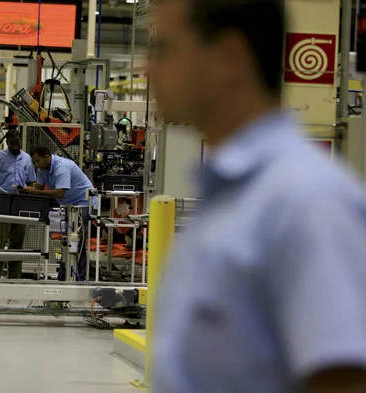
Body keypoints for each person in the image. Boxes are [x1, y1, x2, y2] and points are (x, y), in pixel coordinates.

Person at [149, 1, 366, 393]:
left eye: (164, 49)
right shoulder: (225, 199)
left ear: (229, 56)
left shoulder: (307, 202)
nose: (146, 69)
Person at [23, 146, 96, 281]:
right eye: (34, 162)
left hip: (84, 203)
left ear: (47, 156)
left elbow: (60, 192)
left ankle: (76, 277)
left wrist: (36, 192)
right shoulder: (43, 170)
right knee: (70, 240)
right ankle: (69, 274)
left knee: (76, 240)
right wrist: (26, 190)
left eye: (38, 161)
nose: (36, 165)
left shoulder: (61, 167)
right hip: (69, 205)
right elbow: (38, 188)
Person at [0, 131, 35, 279]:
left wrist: (30, 190)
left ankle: (15, 278)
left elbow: (32, 181)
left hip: (20, 203)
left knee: (17, 245)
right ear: (8, 143)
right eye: (13, 144)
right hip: (3, 203)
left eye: (18, 143)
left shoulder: (27, 158)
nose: (16, 146)